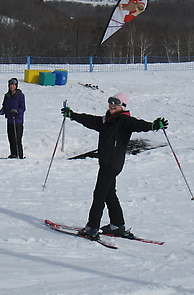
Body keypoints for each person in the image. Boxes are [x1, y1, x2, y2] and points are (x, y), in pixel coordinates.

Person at [61, 93, 168, 240]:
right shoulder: (106, 120)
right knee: (109, 194)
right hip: (106, 162)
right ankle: (117, 225)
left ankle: (92, 227)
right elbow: (90, 120)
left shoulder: (124, 120)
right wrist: (73, 115)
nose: (112, 105)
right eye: (110, 102)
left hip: (112, 164)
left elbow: (138, 124)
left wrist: (153, 126)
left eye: (115, 103)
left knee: (99, 194)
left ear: (122, 106)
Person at [0, 78, 26, 158]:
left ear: (16, 86)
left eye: (13, 85)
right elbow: (5, 107)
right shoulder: (7, 96)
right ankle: (13, 154)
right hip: (10, 120)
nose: (12, 86)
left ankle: (19, 155)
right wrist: (0, 112)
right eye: (11, 85)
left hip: (18, 120)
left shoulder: (20, 95)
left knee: (17, 138)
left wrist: (17, 111)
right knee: (11, 138)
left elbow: (23, 108)